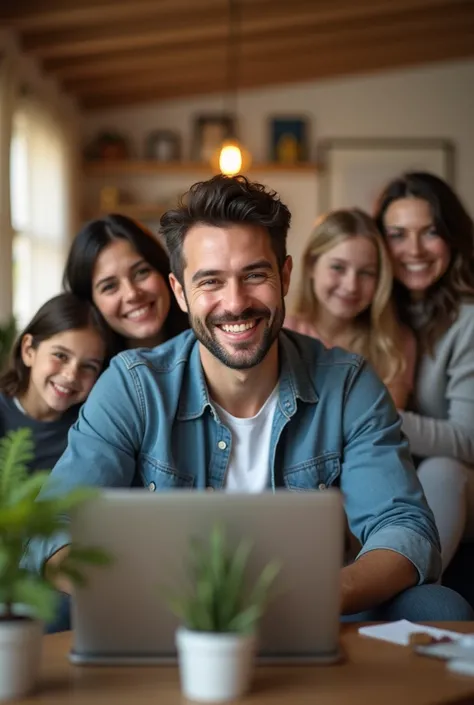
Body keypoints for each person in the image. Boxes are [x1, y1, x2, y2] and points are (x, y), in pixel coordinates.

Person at [24, 175, 472, 626]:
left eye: (255, 275)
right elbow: (53, 526)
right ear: (180, 292)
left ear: (286, 276)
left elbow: (404, 527)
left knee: (440, 608)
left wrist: (326, 593)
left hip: (316, 609)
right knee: (52, 609)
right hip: (165, 609)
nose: (235, 303)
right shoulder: (132, 384)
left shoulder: (349, 383)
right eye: (211, 281)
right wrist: (145, 595)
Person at [374, 171, 474, 576]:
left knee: (442, 469)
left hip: (455, 480)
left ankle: (409, 586)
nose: (412, 249)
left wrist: (372, 417)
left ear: (452, 238)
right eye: (397, 234)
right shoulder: (373, 310)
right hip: (386, 473)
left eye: (429, 232)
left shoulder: (467, 320)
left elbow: (467, 439)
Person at [285, 208, 416, 408]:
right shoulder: (281, 332)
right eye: (338, 267)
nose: (351, 286)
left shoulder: (394, 343)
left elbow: (384, 428)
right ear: (312, 265)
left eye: (366, 273)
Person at [0, 293, 108, 474]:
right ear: (28, 351)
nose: (71, 375)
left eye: (88, 366)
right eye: (60, 355)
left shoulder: (92, 429)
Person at [63, 214, 189, 354]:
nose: (132, 294)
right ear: (90, 302)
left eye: (141, 272)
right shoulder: (88, 373)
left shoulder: (208, 344)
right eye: (109, 286)